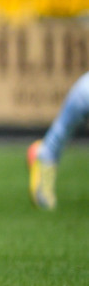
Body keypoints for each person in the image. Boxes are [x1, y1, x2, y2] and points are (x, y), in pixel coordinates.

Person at [28, 73, 89, 210]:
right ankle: (42, 156)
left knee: (60, 134)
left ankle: (41, 154)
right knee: (59, 135)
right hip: (84, 92)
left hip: (82, 88)